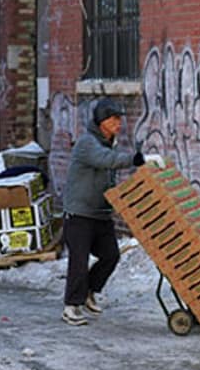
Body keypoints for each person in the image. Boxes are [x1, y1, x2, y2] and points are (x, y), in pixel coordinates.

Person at [60, 98, 145, 326]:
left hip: (100, 213)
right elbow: (105, 161)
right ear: (101, 121)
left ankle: (89, 291)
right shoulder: (87, 143)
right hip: (79, 214)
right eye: (114, 119)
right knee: (78, 261)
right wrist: (135, 160)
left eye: (120, 119)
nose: (119, 123)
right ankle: (71, 306)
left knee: (110, 255)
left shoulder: (110, 143)